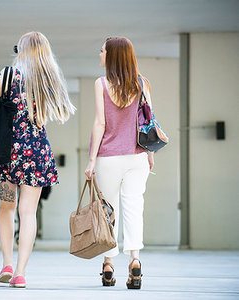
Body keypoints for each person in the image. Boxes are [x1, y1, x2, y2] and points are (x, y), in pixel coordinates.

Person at [0, 32, 76, 288]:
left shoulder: (8, 76)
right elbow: (51, 113)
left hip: (7, 152)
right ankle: (20, 273)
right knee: (28, 212)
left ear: (21, 50)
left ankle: (6, 262)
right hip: (36, 151)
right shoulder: (47, 79)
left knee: (6, 206)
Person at [85, 37, 154, 289]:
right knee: (134, 206)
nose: (100, 54)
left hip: (108, 157)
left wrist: (91, 161)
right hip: (137, 157)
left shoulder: (101, 84)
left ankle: (108, 263)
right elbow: (147, 121)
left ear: (112, 56)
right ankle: (135, 260)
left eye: (102, 51)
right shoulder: (142, 83)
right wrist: (149, 153)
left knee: (109, 211)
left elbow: (100, 124)